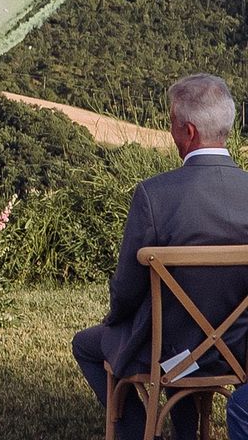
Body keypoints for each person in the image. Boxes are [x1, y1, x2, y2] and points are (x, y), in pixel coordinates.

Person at [73, 75, 248, 440]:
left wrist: (116, 321)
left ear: (188, 131)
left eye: (170, 123)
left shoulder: (154, 195)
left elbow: (126, 289)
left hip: (171, 354)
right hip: (239, 351)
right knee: (179, 334)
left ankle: (136, 431)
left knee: (88, 344)